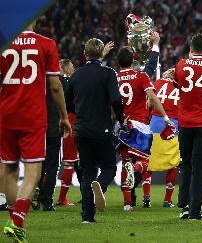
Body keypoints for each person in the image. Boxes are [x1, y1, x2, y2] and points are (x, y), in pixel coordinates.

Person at [0, 22, 70, 242]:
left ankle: (15, 223)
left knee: (9, 170)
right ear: (36, 20)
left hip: (6, 114)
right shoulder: (46, 44)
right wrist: (64, 116)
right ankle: (18, 220)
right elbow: (55, 86)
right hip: (32, 116)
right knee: (33, 171)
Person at [65, 38, 125, 224]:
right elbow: (116, 100)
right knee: (109, 167)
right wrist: (122, 120)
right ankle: (101, 183)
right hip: (102, 128)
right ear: (101, 54)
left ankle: (87, 217)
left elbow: (68, 104)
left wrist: (80, 112)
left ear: (84, 53)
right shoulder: (108, 73)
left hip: (81, 130)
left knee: (87, 171)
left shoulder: (76, 75)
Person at [114, 42, 172, 211]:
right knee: (145, 160)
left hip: (123, 125)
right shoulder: (141, 77)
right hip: (140, 125)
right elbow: (152, 98)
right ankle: (136, 168)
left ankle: (127, 204)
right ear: (133, 60)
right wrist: (165, 116)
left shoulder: (114, 78)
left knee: (125, 161)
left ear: (118, 62)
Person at [173, 33, 202, 220]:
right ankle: (195, 211)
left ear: (191, 48)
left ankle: (183, 206)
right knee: (200, 168)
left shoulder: (181, 65)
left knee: (185, 164)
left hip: (185, 123)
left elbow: (178, 86)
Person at [151, 68, 180, 208]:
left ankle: (146, 197)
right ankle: (167, 200)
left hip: (155, 122)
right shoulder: (181, 86)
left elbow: (151, 102)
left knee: (148, 160)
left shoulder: (158, 82)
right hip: (173, 124)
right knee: (172, 163)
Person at [56, 59, 79, 207]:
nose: (74, 69)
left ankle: (44, 195)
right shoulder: (68, 83)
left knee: (52, 163)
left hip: (57, 123)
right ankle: (61, 198)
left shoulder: (56, 82)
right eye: (71, 67)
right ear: (65, 69)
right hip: (69, 123)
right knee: (69, 162)